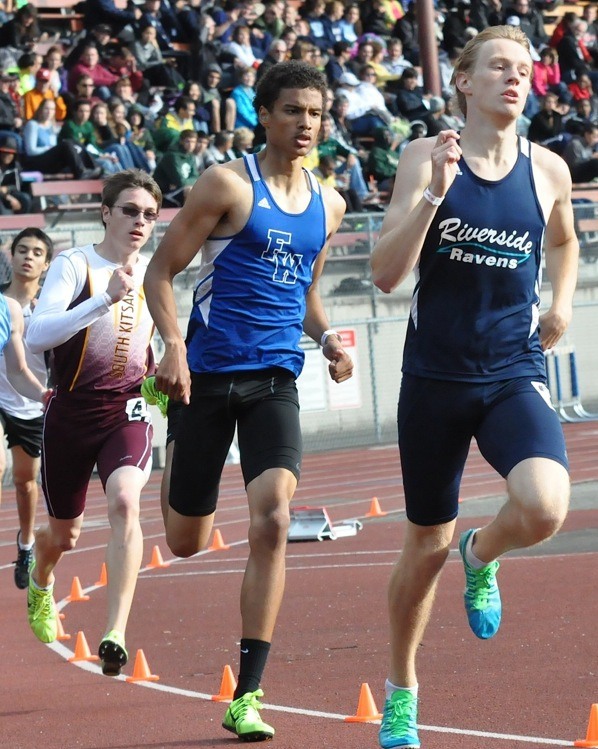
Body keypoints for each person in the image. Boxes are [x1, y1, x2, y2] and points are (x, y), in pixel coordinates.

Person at [370, 25, 578, 749]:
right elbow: (385, 275)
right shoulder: (423, 158)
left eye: (524, 68)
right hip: (433, 378)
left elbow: (564, 237)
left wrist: (560, 301)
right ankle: (402, 691)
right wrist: (432, 196)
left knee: (547, 504)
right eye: (498, 66)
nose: (514, 78)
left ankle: (482, 555)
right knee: (424, 545)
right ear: (463, 81)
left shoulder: (547, 168)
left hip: (512, 370)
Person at [144, 60, 353, 742]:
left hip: (274, 379)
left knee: (274, 519)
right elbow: (161, 271)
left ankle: (248, 693)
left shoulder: (330, 203)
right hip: (203, 379)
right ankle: (174, 466)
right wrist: (172, 344)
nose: (305, 124)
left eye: (315, 114)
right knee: (185, 541)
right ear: (263, 114)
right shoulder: (227, 184)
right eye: (292, 111)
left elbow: (309, 298)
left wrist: (327, 341)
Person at [24, 169, 162, 678]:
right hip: (70, 412)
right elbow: (38, 334)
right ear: (105, 212)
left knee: (126, 500)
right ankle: (41, 580)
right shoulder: (74, 264)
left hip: (125, 409)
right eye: (129, 210)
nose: (140, 222)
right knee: (65, 535)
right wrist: (102, 298)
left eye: (149, 214)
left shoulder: (153, 270)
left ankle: (115, 632)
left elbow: (158, 339)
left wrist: (165, 375)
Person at [0, 228, 53, 589]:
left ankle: (26, 542)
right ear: (11, 256)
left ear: (46, 263)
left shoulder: (51, 307)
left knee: (24, 482)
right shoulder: (3, 305)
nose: (28, 257)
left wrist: (47, 395)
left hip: (31, 401)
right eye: (21, 250)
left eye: (36, 252)